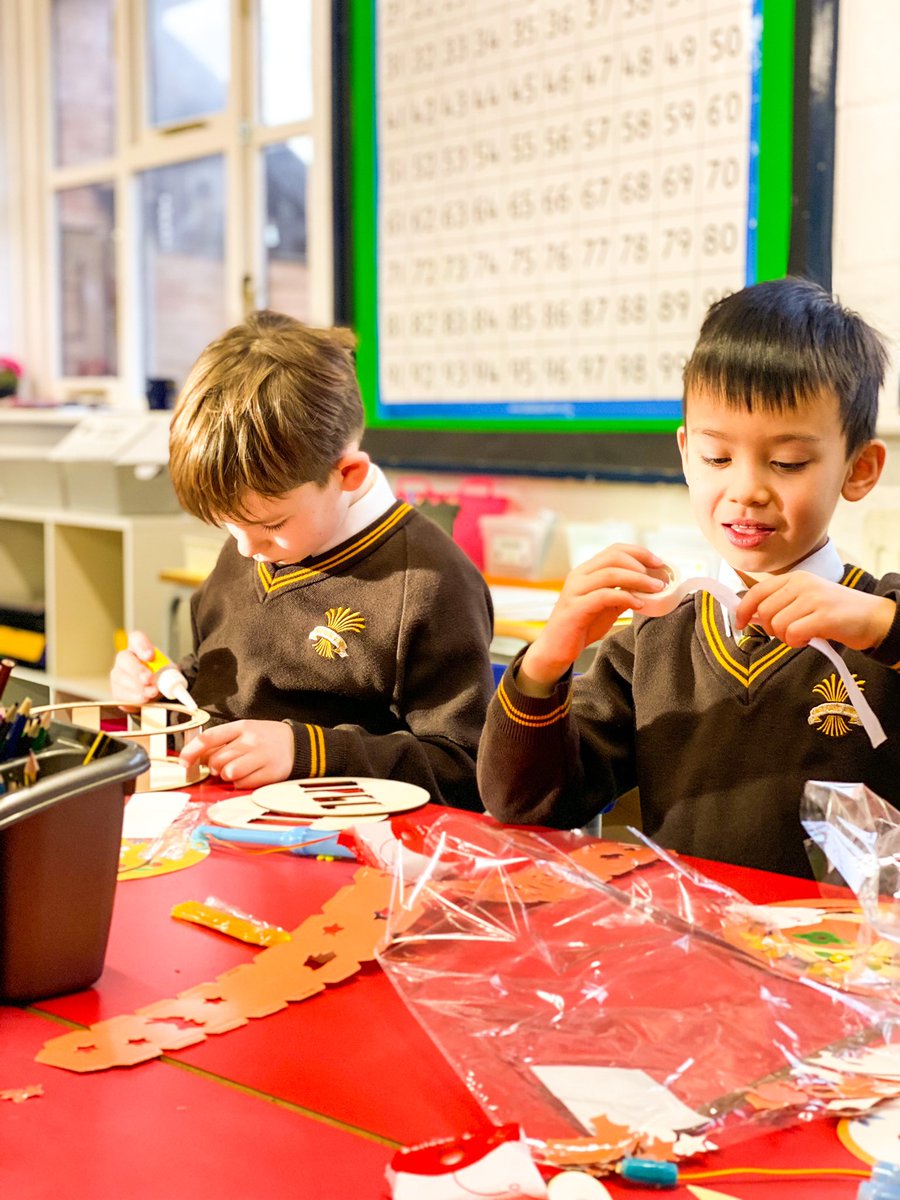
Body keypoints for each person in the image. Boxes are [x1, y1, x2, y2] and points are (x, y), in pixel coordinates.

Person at [478, 278, 900, 876]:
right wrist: (547, 660)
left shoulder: (879, 620)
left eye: (788, 463)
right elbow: (527, 805)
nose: (746, 490)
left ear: (858, 469)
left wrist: (881, 624)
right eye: (716, 457)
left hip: (847, 936)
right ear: (685, 454)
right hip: (695, 929)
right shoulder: (655, 639)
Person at [111, 310, 494, 809]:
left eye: (271, 525)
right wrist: (158, 695)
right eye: (228, 524)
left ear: (348, 474)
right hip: (222, 826)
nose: (245, 549)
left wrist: (308, 753)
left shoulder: (429, 584)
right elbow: (218, 691)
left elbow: (466, 769)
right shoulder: (253, 540)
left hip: (350, 844)